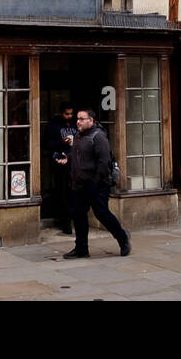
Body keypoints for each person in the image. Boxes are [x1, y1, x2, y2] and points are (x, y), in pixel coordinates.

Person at [57, 109, 129, 258]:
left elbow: (104, 162)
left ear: (91, 121)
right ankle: (81, 249)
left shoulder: (99, 137)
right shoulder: (78, 136)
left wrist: (95, 183)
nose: (78, 121)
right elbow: (79, 155)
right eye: (78, 119)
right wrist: (67, 158)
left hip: (96, 184)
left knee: (102, 214)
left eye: (82, 119)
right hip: (79, 184)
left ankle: (123, 238)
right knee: (78, 215)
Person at [42, 103, 77, 235]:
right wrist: (61, 143)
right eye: (66, 114)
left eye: (71, 113)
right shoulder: (53, 125)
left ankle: (75, 218)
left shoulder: (75, 123)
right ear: (61, 113)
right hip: (59, 162)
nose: (69, 116)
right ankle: (66, 222)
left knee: (75, 191)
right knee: (62, 191)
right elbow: (45, 143)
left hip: (75, 162)